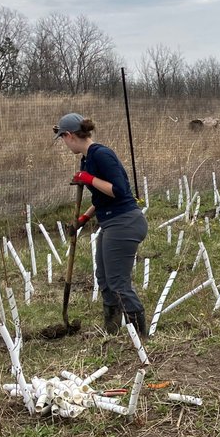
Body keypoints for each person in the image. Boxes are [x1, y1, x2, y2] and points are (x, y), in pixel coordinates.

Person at [54, 113, 149, 336]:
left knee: (118, 281)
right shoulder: (87, 159)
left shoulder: (102, 155)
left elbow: (118, 190)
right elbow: (102, 198)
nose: (64, 144)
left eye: (63, 139)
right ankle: (112, 329)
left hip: (124, 222)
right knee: (104, 278)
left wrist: (88, 179)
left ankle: (140, 337)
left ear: (69, 136)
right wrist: (84, 218)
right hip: (110, 222)